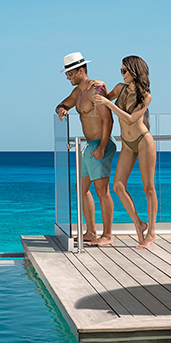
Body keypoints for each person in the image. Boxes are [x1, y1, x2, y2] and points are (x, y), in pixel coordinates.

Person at [93, 55, 158, 249]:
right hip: (128, 144)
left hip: (144, 141)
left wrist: (110, 105)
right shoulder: (120, 89)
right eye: (121, 70)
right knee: (118, 186)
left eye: (124, 71)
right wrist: (100, 86)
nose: (122, 74)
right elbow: (105, 98)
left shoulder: (146, 96)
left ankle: (152, 232)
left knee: (148, 188)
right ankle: (139, 223)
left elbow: (131, 119)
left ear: (135, 72)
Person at [55, 51, 116, 246]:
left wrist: (102, 147)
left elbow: (108, 120)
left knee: (102, 190)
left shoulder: (96, 90)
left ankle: (107, 235)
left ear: (81, 71)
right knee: (80, 188)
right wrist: (62, 110)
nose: (67, 77)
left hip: (101, 144)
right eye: (66, 74)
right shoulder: (77, 93)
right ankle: (90, 231)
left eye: (70, 73)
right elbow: (62, 104)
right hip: (89, 145)